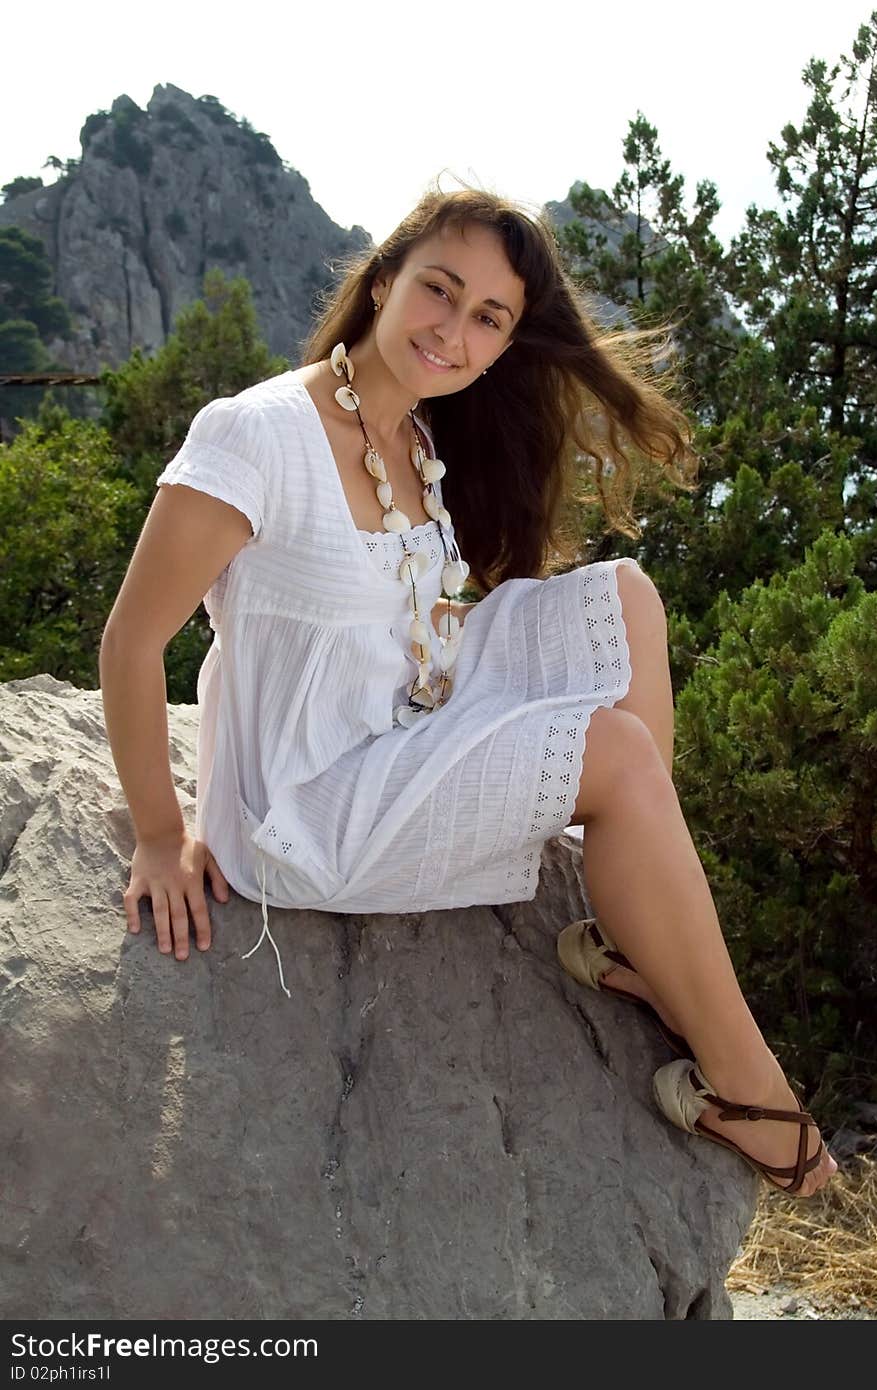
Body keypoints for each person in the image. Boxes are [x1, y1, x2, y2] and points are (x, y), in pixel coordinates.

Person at [100, 183, 837, 1198]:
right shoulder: (256, 434)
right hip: (313, 800)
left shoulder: (418, 437)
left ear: (503, 341)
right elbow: (133, 639)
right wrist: (155, 830)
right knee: (613, 756)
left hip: (409, 704)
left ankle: (630, 927)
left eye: (487, 317)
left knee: (625, 596)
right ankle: (754, 1099)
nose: (452, 330)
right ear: (383, 280)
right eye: (437, 291)